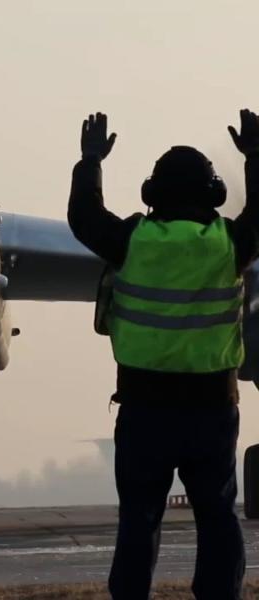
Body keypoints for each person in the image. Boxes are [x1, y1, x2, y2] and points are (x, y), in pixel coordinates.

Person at [68, 109, 259, 600]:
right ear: (214, 195)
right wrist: (256, 157)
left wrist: (91, 161)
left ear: (152, 196)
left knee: (139, 519)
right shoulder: (228, 245)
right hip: (212, 411)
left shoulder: (132, 241)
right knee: (218, 517)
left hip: (144, 410)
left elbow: (84, 217)